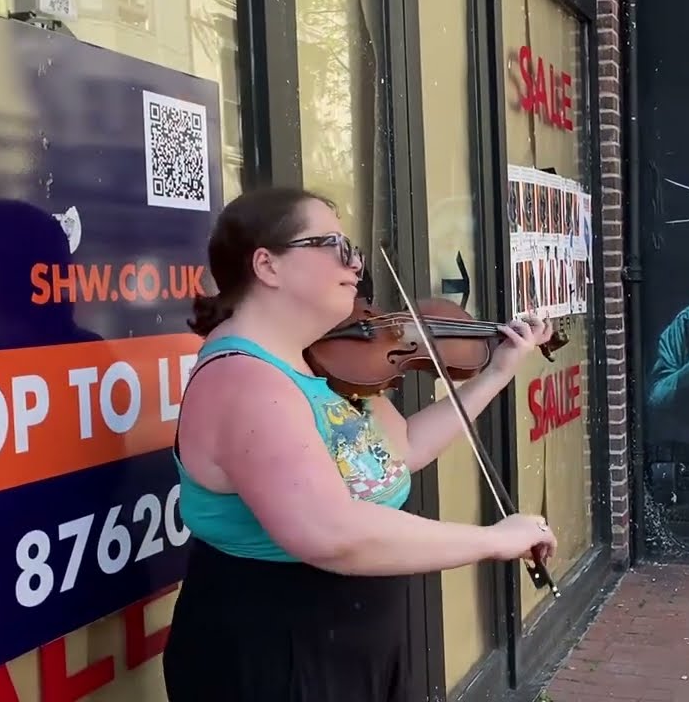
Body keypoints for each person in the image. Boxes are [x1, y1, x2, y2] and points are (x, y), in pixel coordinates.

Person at [161, 187, 558, 701]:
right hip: (277, 650)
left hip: (351, 636)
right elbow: (331, 532)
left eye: (355, 249)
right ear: (268, 265)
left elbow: (403, 448)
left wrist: (496, 373)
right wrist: (493, 540)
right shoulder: (245, 382)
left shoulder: (320, 360)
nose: (356, 263)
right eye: (335, 246)